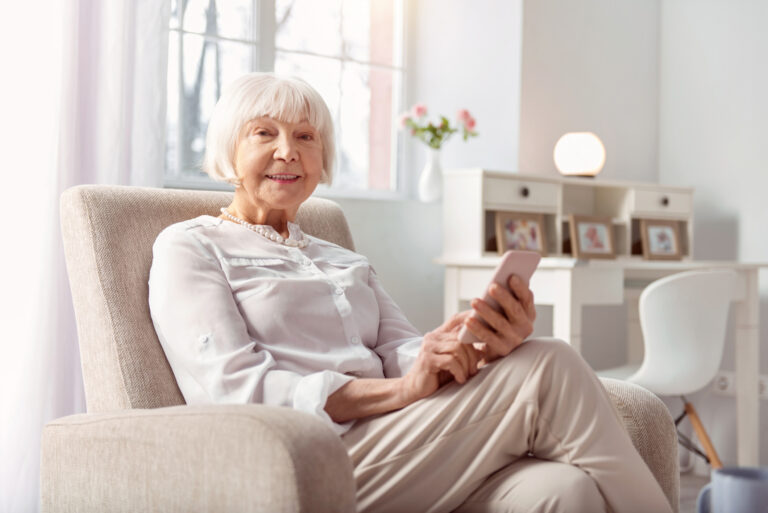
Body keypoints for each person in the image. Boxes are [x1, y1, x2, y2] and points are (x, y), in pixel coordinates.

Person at [148, 73, 673, 513]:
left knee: (562, 490)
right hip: (308, 458)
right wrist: (403, 392)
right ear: (229, 150)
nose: (288, 151)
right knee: (551, 363)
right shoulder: (190, 247)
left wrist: (474, 347)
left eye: (306, 137)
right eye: (265, 133)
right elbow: (238, 393)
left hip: (401, 440)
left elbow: (406, 353)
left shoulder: (344, 260)